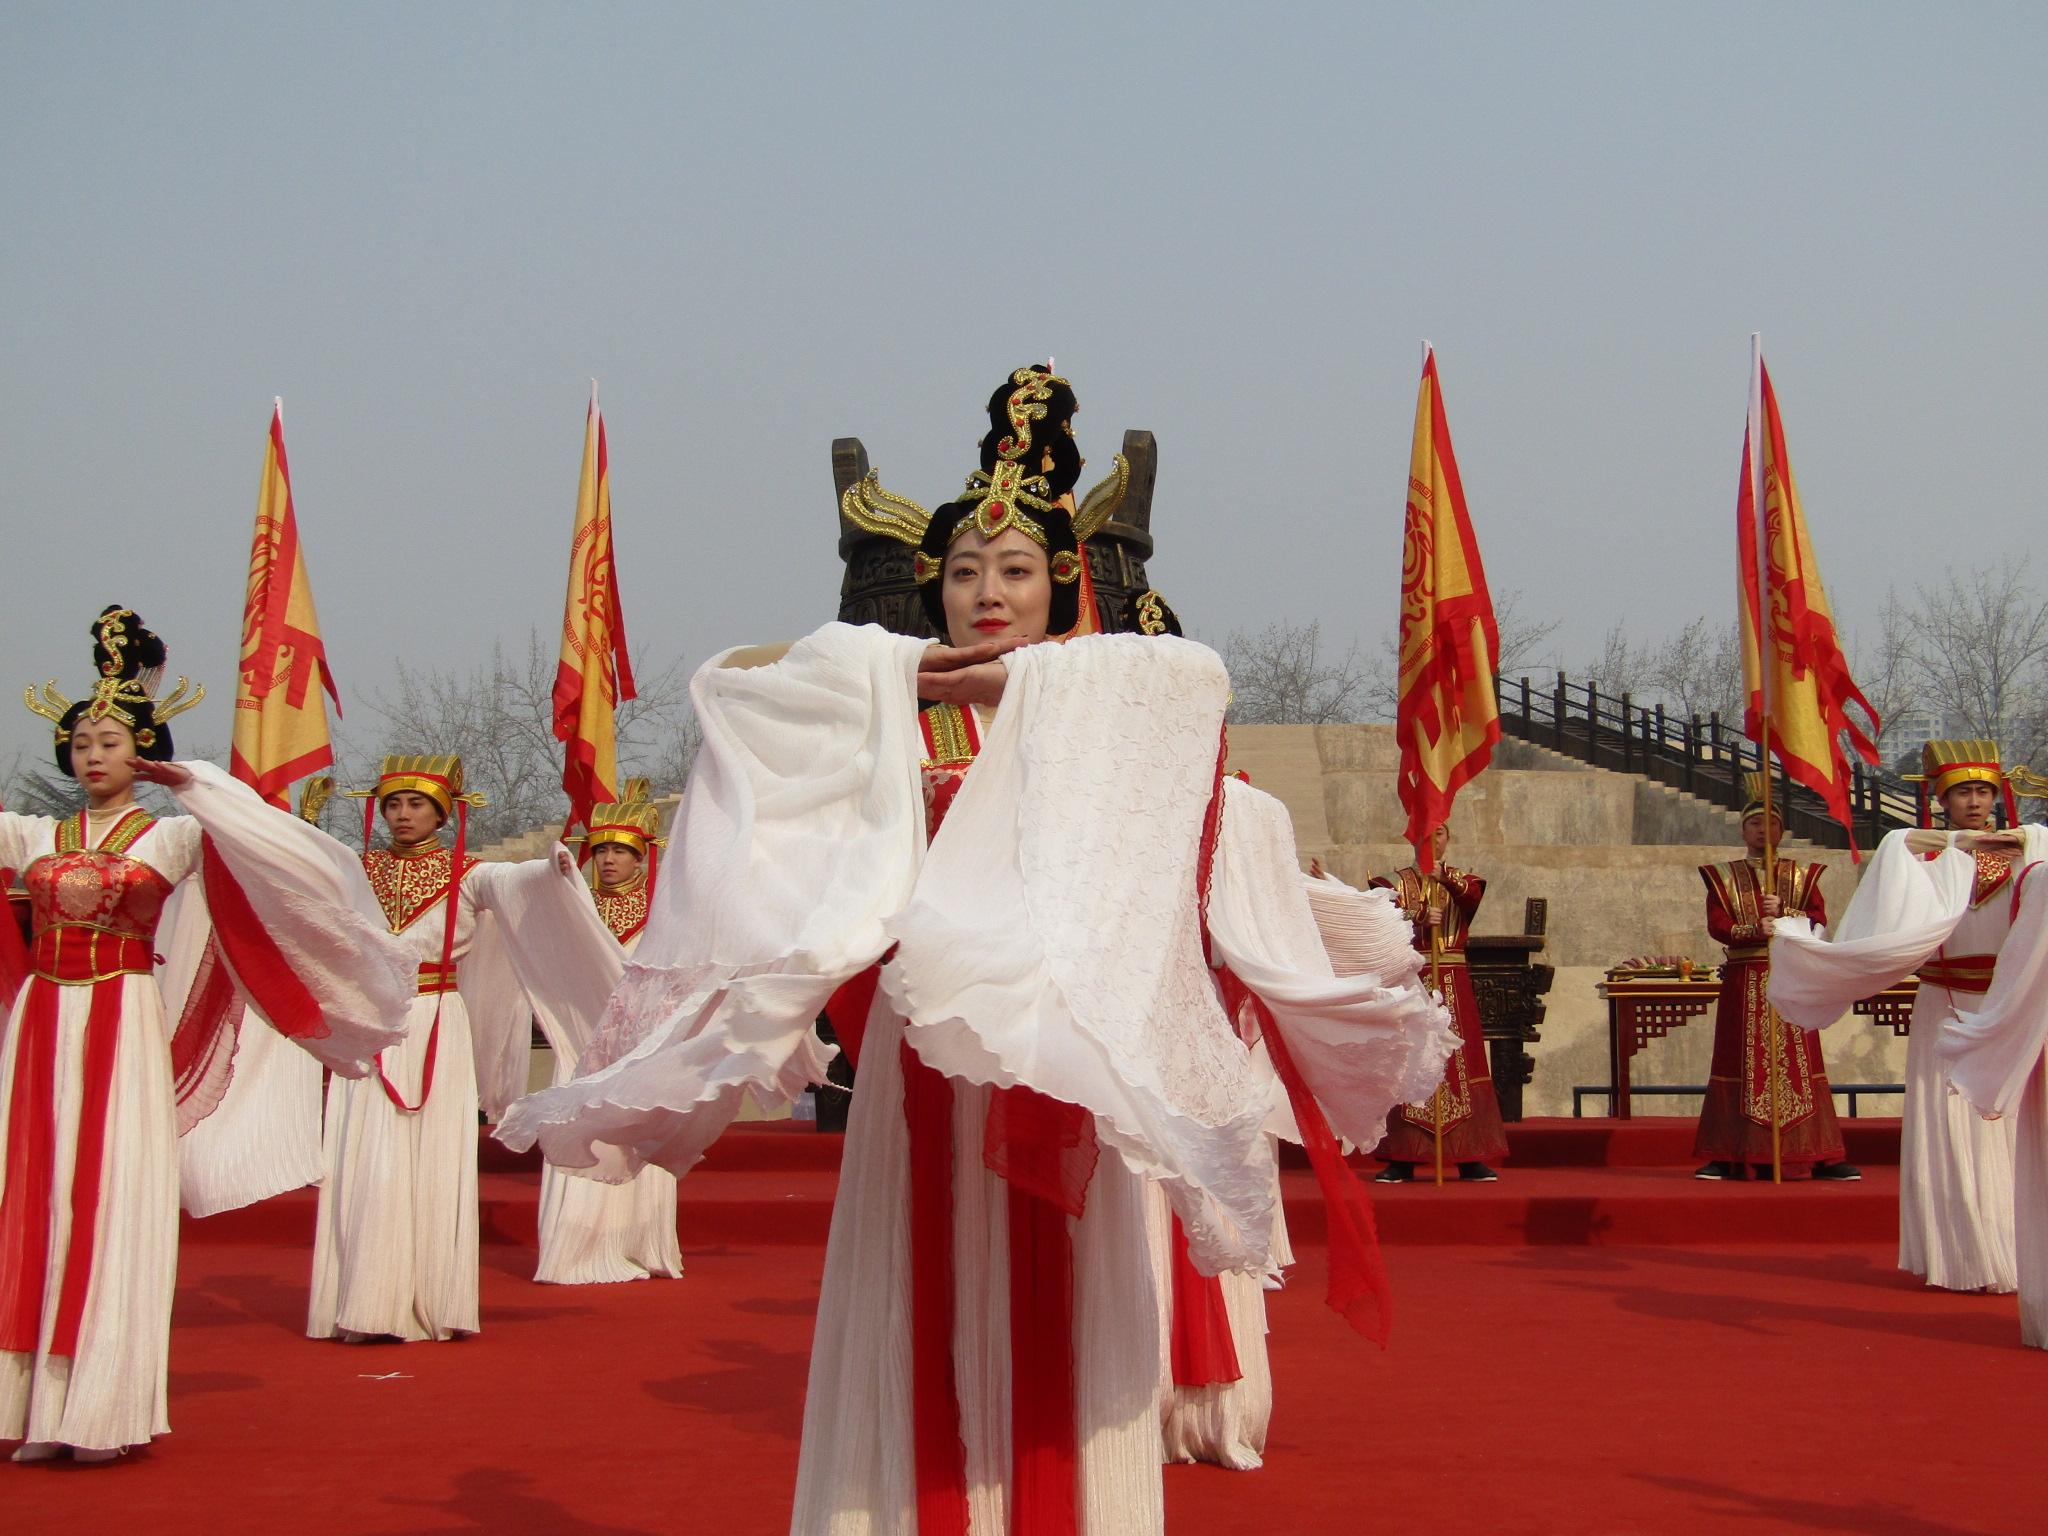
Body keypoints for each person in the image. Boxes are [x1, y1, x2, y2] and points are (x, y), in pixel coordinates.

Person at [502, 366, 1451, 1535]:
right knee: (921, 1293)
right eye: (960, 573)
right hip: (921, 1056)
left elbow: (1191, 680)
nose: (985, 593)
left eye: (1013, 571)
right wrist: (879, 671)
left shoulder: (1108, 715)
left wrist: (1028, 686)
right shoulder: (889, 713)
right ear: (929, 592)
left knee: (1060, 1301)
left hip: (1059, 1044)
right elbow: (728, 691)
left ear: (1060, 587)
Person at [4, 607, 410, 1462]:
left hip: (120, 1019)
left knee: (110, 1197)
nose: (92, 754)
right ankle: (31, 1406)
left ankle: (100, 1408)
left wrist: (192, 780)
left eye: (110, 741)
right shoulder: (32, 836)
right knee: (31, 1196)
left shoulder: (174, 835)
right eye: (80, 742)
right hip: (41, 1020)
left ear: (143, 751)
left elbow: (287, 854)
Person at [310, 754, 615, 1342]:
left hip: (435, 1016)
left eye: (417, 804)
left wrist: (551, 869)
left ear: (443, 813)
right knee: (366, 1149)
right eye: (393, 803)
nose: (403, 815)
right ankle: (361, 1300)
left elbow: (514, 883)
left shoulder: (469, 874)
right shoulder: (358, 871)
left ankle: (425, 1300)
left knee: (428, 1151)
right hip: (372, 1018)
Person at [1770, 740, 2035, 1294]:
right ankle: (1963, 1256)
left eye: (1985, 791)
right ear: (1941, 799)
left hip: (2012, 1009)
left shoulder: (2025, 852)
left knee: (2015, 1128)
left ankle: (2018, 1251)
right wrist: (1962, 841)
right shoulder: (1927, 856)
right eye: (1963, 791)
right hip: (1947, 1003)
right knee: (1951, 1127)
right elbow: (1895, 844)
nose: (1976, 801)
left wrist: (2022, 840)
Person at [477, 792, 683, 1285]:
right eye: (601, 851)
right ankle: (576, 1246)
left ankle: (637, 1241)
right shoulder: (575, 907)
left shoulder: (664, 914)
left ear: (642, 856)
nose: (608, 860)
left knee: (634, 1141)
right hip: (583, 1043)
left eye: (620, 852)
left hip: (641, 1048)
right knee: (580, 1132)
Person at [1692, 774, 1859, 1181]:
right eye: (1755, 824)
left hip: (1791, 974)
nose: (1763, 831)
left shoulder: (1802, 876)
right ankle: (1729, 1152)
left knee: (1801, 1061)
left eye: (1771, 824)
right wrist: (1753, 929)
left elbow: (1819, 921)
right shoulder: (1724, 876)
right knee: (1738, 1059)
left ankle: (1818, 1153)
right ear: (1742, 829)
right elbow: (1718, 924)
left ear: (1782, 830)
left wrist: (1787, 916)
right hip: (1744, 976)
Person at [1368, 823, 1509, 1183]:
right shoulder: (1391, 884)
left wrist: (1444, 879)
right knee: (1409, 1057)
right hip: (1412, 979)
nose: (1434, 839)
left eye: (1442, 832)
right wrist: (1415, 919)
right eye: (1426, 833)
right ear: (1412, 837)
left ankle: (1469, 1155)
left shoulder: (1466, 880)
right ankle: (1402, 1156)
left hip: (1453, 981)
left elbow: (1470, 899)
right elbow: (1380, 922)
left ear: (1450, 838)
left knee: (1460, 1060)